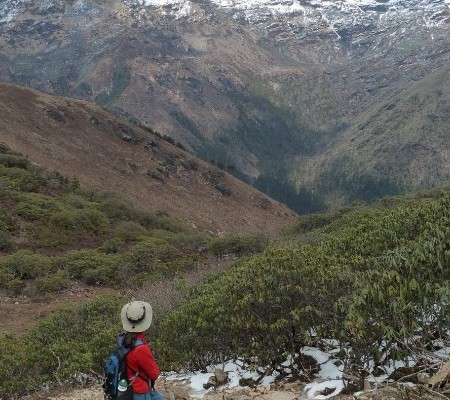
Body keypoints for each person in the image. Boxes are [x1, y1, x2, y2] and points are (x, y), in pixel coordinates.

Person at [120, 300, 163, 400]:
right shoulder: (141, 349)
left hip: (127, 386)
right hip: (139, 391)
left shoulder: (122, 338)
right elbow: (154, 374)